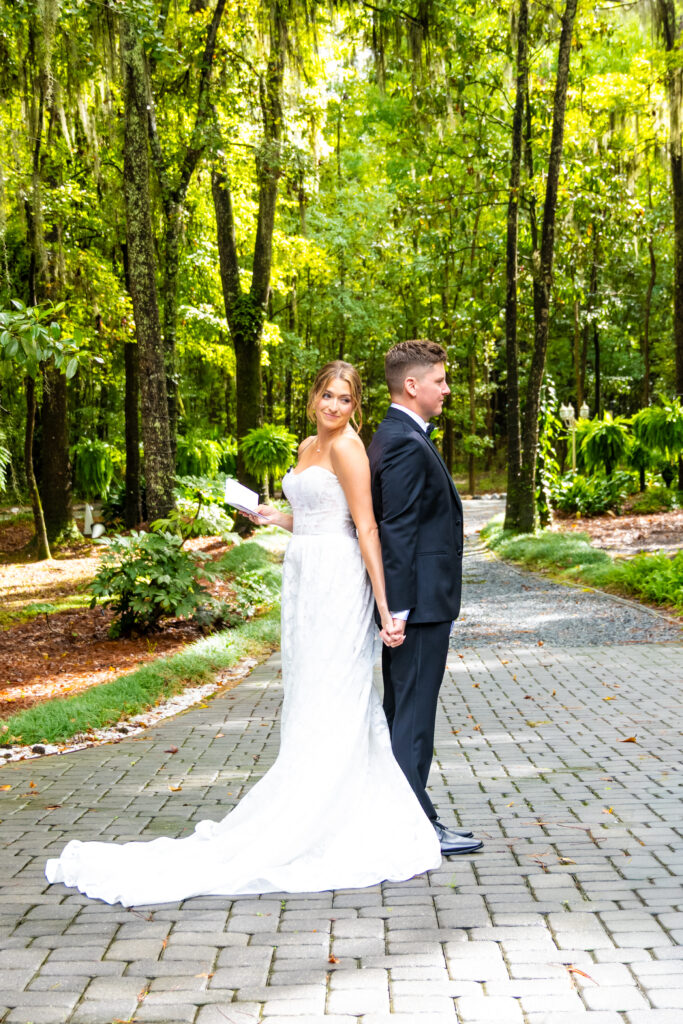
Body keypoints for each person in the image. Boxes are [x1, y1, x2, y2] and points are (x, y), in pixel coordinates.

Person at [45, 361, 441, 906]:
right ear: (313, 397)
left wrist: (384, 604)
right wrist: (274, 518)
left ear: (355, 407)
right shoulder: (307, 447)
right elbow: (315, 516)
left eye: (344, 399)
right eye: (327, 394)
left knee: (336, 691)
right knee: (307, 691)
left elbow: (364, 526)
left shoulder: (350, 449)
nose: (333, 406)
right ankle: (306, 793)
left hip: (339, 580)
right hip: (303, 575)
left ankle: (330, 810)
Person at [368, 340, 483, 855]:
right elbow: (397, 531)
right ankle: (413, 828)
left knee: (406, 713)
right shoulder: (401, 442)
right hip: (417, 607)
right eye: (439, 380)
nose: (447, 389)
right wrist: (399, 610)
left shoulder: (402, 435)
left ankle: (409, 815)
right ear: (411, 385)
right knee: (413, 719)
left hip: (420, 603)